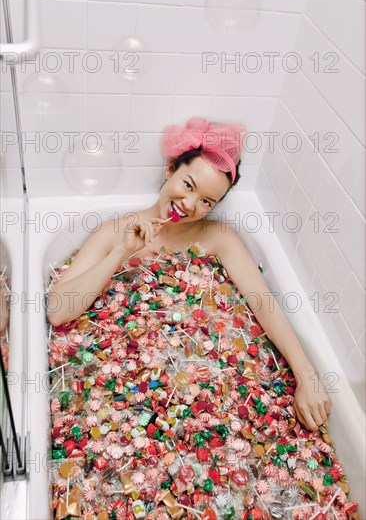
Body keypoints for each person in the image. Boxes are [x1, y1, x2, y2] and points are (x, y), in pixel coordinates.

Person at [47, 118, 358, 520]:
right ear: (170, 169)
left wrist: (307, 376)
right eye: (188, 185)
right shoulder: (115, 231)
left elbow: (264, 307)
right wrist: (120, 254)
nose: (190, 206)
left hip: (216, 387)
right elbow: (59, 310)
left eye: (207, 201)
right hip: (133, 391)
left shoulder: (219, 239)